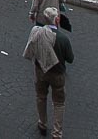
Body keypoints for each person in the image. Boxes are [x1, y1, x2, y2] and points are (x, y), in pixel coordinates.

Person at [23, 8, 73, 139]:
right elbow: (70, 58)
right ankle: (57, 133)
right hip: (57, 74)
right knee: (59, 103)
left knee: (41, 97)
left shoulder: (37, 32)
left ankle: (42, 124)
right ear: (57, 20)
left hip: (40, 71)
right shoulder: (63, 38)